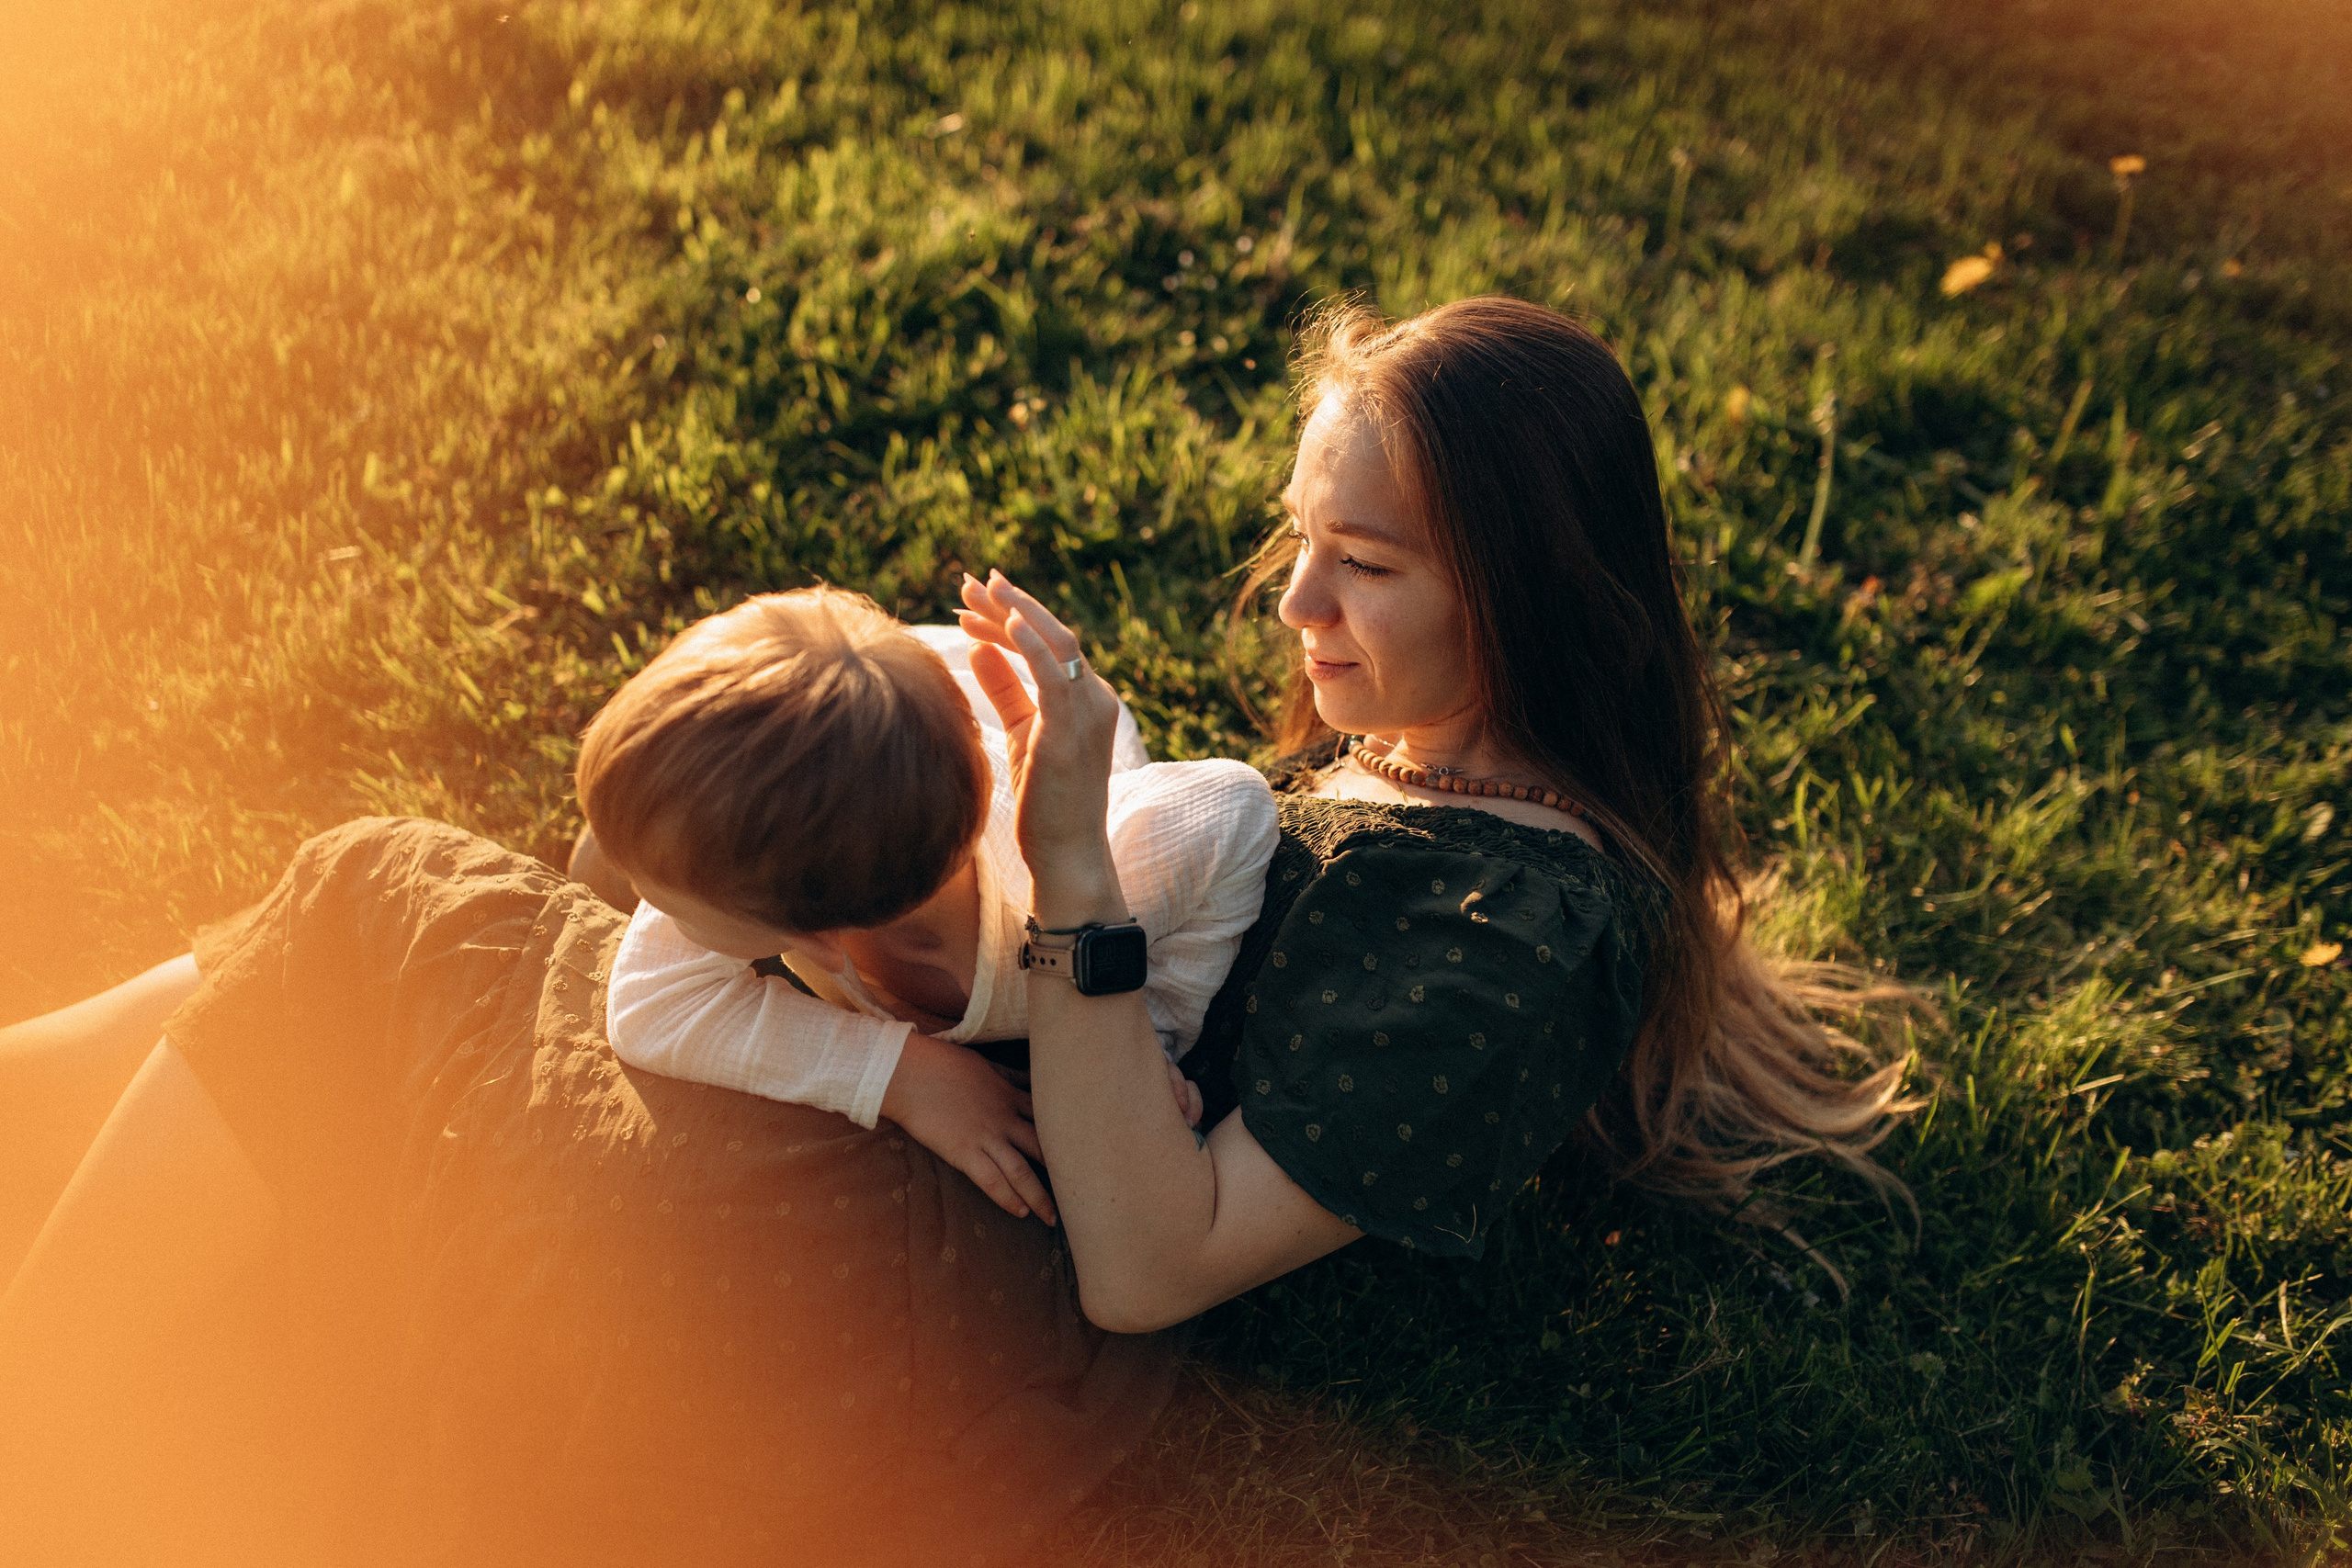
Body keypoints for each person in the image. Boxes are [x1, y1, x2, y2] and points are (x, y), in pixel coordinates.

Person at [0, 295, 1916, 1566]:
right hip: (922, 1186)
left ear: (1521, 579)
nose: (1294, 603)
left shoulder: (1502, 925)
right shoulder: (1445, 795)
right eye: (1300, 539)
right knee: (486, 900)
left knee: (378, 894)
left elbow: (1149, 1267)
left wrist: (1065, 877)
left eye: (1368, 565)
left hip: (943, 1294)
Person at [572, 585, 1272, 1222]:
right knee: (599, 858)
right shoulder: (813, 866)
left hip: (964, 715)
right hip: (909, 709)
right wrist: (903, 1074)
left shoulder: (1121, 855)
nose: (654, 913)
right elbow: (648, 1002)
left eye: (670, 907)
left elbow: (1238, 810)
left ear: (819, 942)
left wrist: (1148, 1033)